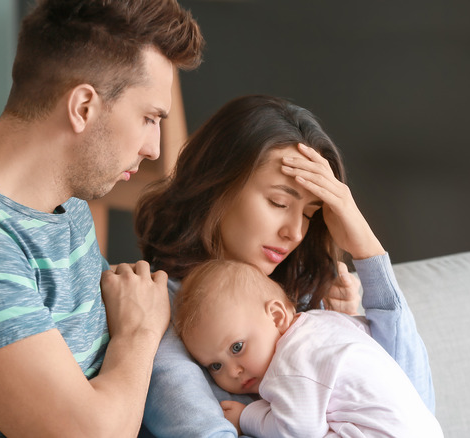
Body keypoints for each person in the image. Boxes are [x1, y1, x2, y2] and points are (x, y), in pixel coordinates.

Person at [0, 0, 204, 436]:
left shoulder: (64, 204)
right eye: (148, 118)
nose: (154, 148)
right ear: (83, 107)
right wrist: (138, 331)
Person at [134, 95, 435, 437]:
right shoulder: (163, 312)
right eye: (279, 202)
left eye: (309, 214)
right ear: (217, 185)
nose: (294, 232)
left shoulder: (297, 308)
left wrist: (367, 250)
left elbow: (414, 410)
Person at [174, 259, 443, 438]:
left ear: (277, 317)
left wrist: (248, 416)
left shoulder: (289, 360)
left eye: (237, 347)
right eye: (215, 366)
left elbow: (298, 430)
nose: (233, 371)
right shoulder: (323, 322)